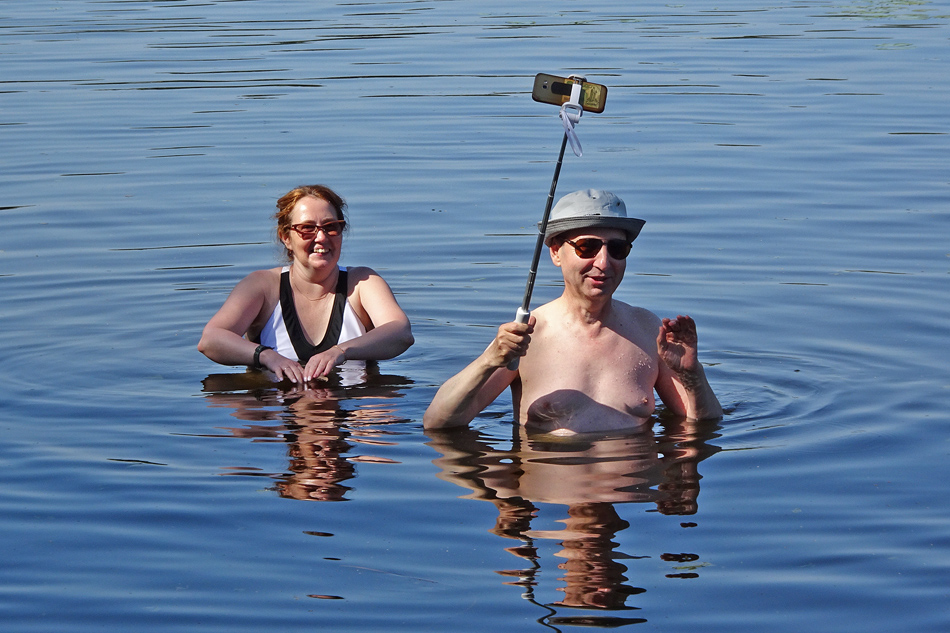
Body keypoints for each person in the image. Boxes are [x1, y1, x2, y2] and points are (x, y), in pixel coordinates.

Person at [423, 189, 721, 433]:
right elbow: (438, 423)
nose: (603, 262)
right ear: (556, 252)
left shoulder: (646, 328)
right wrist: (489, 360)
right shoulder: (528, 335)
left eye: (617, 249)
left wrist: (692, 375)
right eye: (587, 247)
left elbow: (702, 423)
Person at [198, 184, 414, 384]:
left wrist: (340, 351)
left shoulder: (362, 282)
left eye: (331, 227)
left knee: (382, 405)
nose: (321, 238)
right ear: (286, 237)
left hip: (350, 405)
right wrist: (266, 356)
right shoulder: (262, 286)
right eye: (307, 228)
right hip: (277, 406)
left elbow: (401, 333)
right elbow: (210, 340)